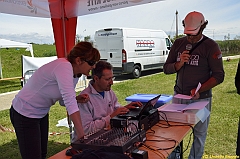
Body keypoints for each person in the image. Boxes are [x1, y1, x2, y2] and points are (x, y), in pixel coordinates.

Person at [10, 41, 100, 159]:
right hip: (24, 113)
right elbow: (69, 103)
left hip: (40, 113)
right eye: (92, 63)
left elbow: (64, 101)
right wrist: (82, 136)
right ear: (79, 60)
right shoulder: (64, 66)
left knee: (42, 154)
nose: (93, 67)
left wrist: (76, 98)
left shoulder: (75, 74)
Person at [163, 11, 225, 159]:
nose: (190, 38)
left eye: (194, 35)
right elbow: (166, 69)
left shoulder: (211, 46)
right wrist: (179, 64)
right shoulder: (178, 43)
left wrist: (200, 89)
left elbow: (219, 76)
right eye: (188, 34)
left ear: (202, 27)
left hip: (201, 100)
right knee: (174, 133)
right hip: (179, 98)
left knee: (199, 135)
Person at [72, 61, 142, 141]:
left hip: (107, 137)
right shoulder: (84, 99)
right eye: (108, 79)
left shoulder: (108, 91)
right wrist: (110, 117)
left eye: (112, 78)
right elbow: (86, 129)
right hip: (90, 143)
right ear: (96, 78)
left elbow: (115, 109)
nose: (111, 82)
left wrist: (126, 108)